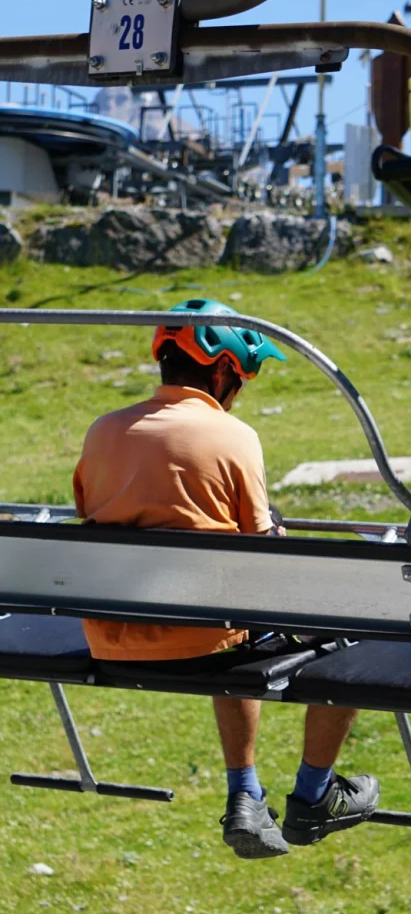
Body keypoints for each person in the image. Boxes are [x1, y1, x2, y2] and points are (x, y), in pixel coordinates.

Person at [73, 298, 379, 860]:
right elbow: (263, 562)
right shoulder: (233, 436)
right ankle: (314, 797)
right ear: (220, 370)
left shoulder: (102, 432)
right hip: (204, 643)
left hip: (111, 640)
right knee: (350, 626)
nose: (237, 393)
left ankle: (247, 792)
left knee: (223, 613)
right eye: (241, 378)